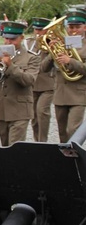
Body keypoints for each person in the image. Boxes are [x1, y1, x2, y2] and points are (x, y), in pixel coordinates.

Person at [41, 10, 86, 142]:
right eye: (71, 27)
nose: (74, 31)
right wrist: (51, 52)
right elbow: (43, 68)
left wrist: (70, 61)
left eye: (77, 27)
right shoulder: (61, 43)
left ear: (85, 27)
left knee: (73, 130)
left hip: (78, 94)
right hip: (60, 94)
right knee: (62, 133)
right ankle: (65, 161)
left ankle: (76, 159)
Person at [0, 21, 40, 146]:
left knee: (14, 148)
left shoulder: (31, 57)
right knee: (4, 146)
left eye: (13, 39)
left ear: (21, 38)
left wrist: (10, 66)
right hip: (2, 108)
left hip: (20, 110)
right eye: (6, 38)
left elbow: (29, 80)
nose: (8, 42)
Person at [29, 18, 54, 142]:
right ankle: (37, 141)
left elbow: (45, 67)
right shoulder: (29, 43)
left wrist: (51, 50)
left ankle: (43, 141)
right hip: (32, 85)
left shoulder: (51, 43)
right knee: (33, 117)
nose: (38, 32)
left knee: (42, 111)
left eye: (41, 30)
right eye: (36, 29)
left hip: (48, 84)